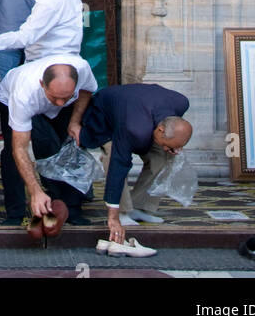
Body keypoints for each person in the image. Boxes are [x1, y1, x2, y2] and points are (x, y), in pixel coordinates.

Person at [77, 83, 192, 244]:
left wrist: (172, 147)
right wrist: (113, 215)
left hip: (137, 109)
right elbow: (119, 165)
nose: (167, 147)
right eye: (166, 143)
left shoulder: (182, 102)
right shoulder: (134, 128)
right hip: (104, 116)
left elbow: (174, 128)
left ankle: (139, 206)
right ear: (160, 130)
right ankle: (123, 212)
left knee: (162, 157)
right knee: (112, 157)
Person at [0, 55, 97, 225]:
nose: (59, 103)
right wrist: (35, 191)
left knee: (69, 145)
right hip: (11, 100)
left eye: (65, 97)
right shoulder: (23, 94)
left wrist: (74, 122)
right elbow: (19, 149)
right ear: (42, 84)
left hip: (61, 105)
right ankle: (15, 213)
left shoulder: (82, 68)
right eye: (54, 98)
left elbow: (87, 90)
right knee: (12, 154)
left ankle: (70, 208)